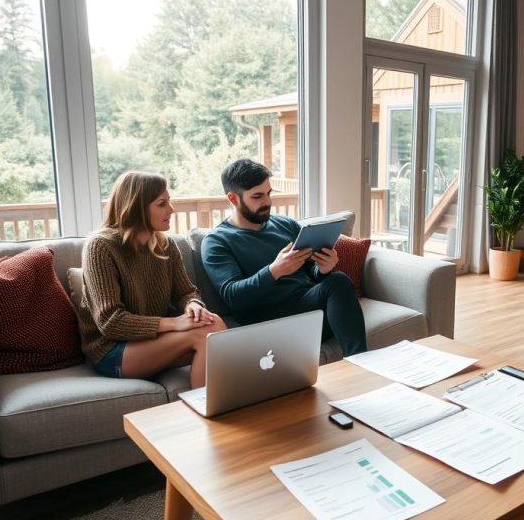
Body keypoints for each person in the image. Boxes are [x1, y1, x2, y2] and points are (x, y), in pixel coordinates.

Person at [201, 159, 367, 357]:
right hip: (270, 324)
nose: (268, 202)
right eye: (258, 196)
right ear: (233, 198)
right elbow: (233, 297)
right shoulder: (217, 241)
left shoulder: (285, 224)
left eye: (269, 193)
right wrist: (275, 271)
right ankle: (361, 361)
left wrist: (323, 269)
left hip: (309, 310)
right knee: (337, 283)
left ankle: (361, 363)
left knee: (337, 279)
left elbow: (311, 272)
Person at [78, 171, 225, 388]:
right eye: (162, 203)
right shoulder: (100, 247)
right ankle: (205, 412)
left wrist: (193, 305)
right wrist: (175, 323)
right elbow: (111, 322)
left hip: (151, 340)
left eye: (169, 202)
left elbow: (186, 291)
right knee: (204, 336)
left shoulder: (166, 244)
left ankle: (225, 409)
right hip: (113, 349)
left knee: (215, 323)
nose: (171, 210)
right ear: (137, 207)